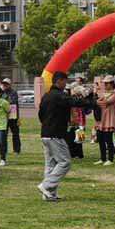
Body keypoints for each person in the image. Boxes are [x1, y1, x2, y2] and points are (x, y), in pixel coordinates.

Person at [37, 71, 79, 201]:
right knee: (65, 162)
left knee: (51, 164)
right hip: (55, 135)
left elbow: (40, 115)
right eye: (65, 81)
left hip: (45, 134)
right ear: (59, 81)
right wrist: (92, 101)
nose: (65, 84)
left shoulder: (46, 96)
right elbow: (73, 102)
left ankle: (49, 194)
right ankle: (46, 185)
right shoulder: (59, 96)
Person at [95, 76, 115, 166]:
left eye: (106, 83)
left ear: (112, 84)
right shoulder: (104, 93)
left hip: (109, 117)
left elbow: (106, 102)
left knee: (108, 139)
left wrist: (98, 101)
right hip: (102, 117)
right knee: (100, 138)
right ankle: (102, 158)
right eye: (104, 83)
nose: (105, 85)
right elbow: (98, 101)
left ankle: (110, 159)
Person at [1, 79, 22, 155]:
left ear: (10, 85)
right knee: (4, 134)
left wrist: (4, 101)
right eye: (3, 84)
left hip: (13, 116)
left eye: (6, 84)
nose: (4, 85)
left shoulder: (13, 92)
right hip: (4, 117)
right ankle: (4, 150)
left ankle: (16, 150)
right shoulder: (1, 92)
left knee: (15, 133)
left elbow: (12, 102)